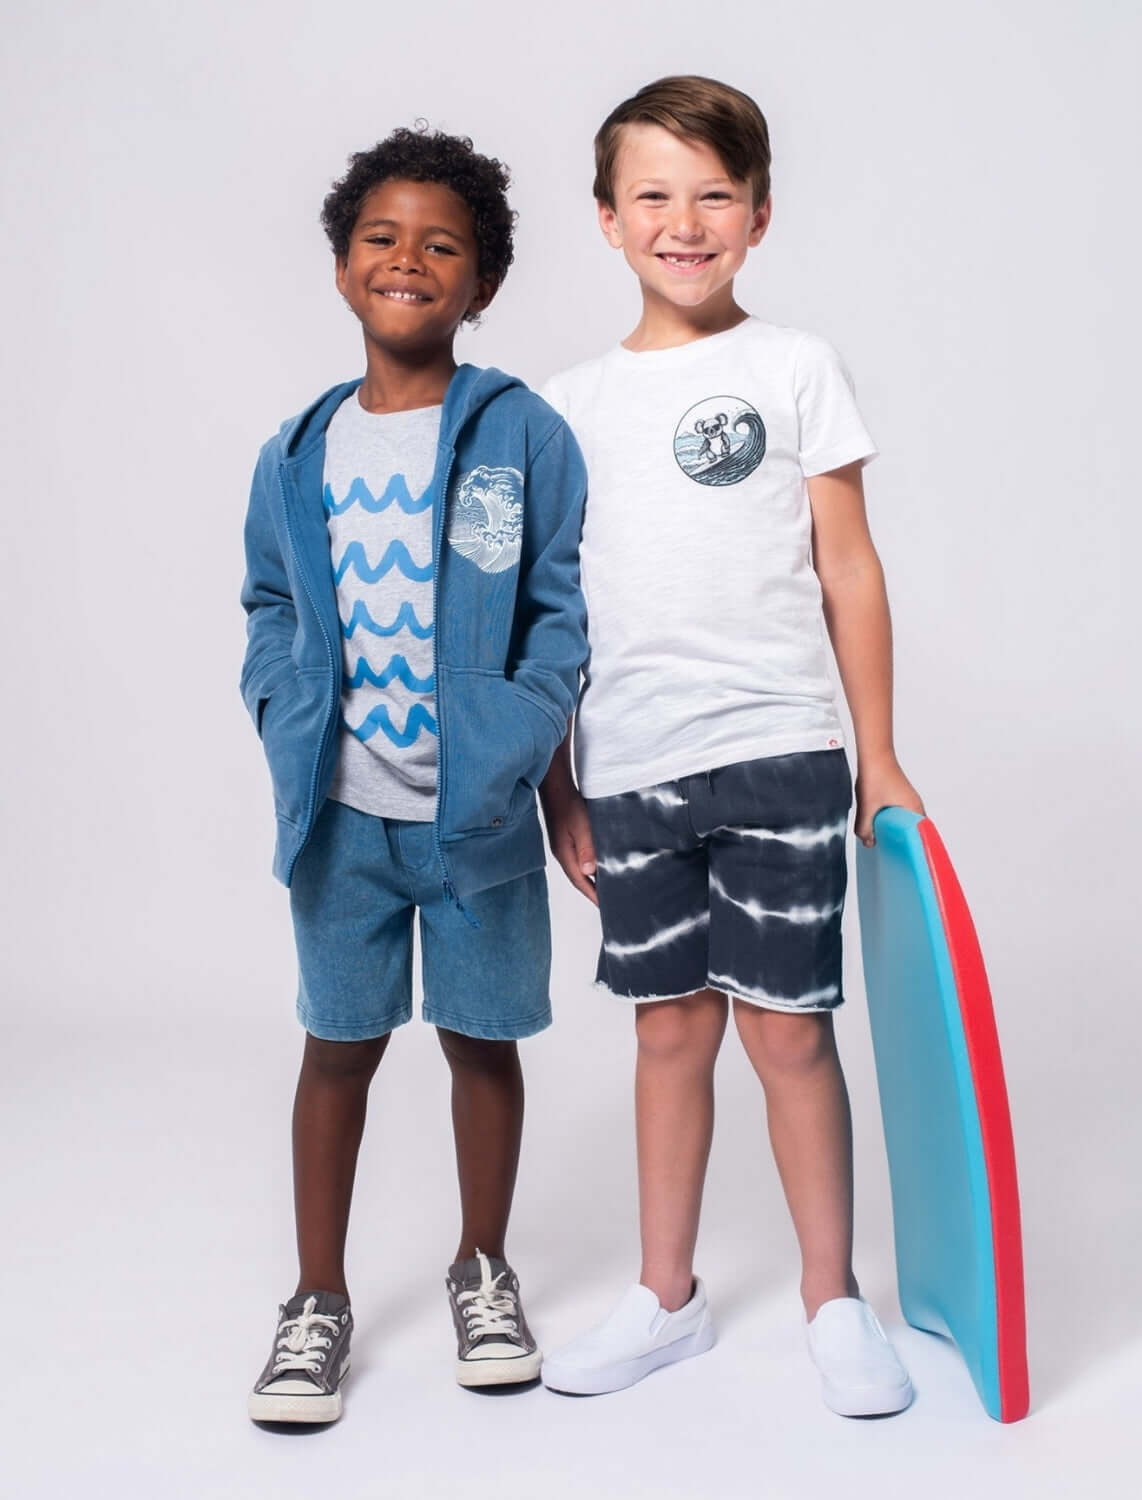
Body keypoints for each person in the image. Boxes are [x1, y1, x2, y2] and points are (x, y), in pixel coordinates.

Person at [537, 76, 922, 1417]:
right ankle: (665, 1298)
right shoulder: (564, 406)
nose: (683, 221)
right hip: (633, 765)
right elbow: (550, 610)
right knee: (667, 1034)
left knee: (790, 1036)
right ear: (606, 219)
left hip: (781, 753)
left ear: (758, 215)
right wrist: (558, 783)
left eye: (713, 195)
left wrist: (877, 755)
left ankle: (834, 1300)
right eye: (653, 194)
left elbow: (850, 570)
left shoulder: (794, 366)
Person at [239, 125, 586, 1423]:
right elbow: (269, 603)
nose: (408, 259)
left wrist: (523, 762)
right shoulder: (296, 453)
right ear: (342, 268)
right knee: (338, 1048)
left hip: (479, 819)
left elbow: (556, 614)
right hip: (341, 822)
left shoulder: (518, 436)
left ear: (481, 284)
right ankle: (316, 1301)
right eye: (381, 238)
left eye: (442, 244)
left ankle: (483, 1268)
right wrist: (285, 708)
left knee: (481, 1041)